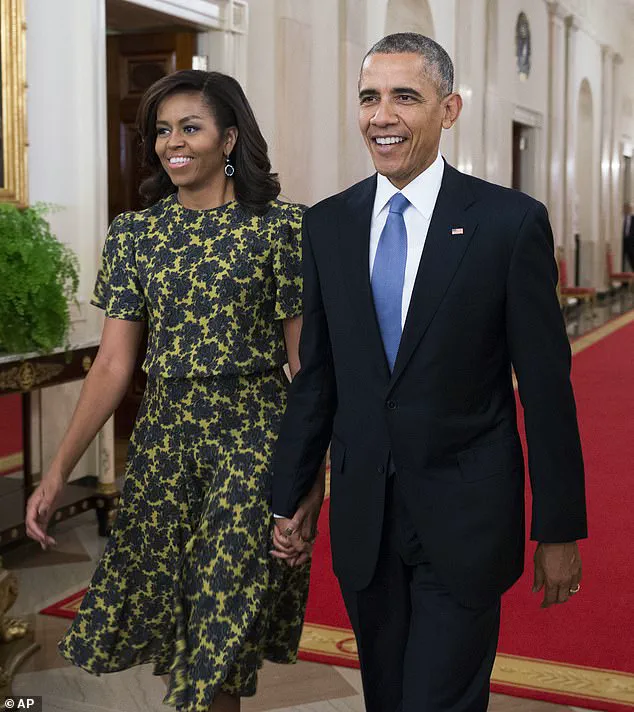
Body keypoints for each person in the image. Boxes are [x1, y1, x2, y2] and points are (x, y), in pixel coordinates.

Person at [270, 33, 587, 712]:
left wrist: (559, 527)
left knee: (438, 702)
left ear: (449, 110)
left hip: (465, 519)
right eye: (369, 98)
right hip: (366, 521)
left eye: (404, 97)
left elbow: (546, 387)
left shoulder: (508, 223)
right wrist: (291, 492)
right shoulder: (327, 225)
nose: (381, 116)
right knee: (387, 697)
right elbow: (318, 374)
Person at [25, 69, 322, 712]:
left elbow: (306, 370)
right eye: (162, 130)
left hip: (254, 438)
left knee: (222, 616)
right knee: (179, 623)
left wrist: (311, 481)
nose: (172, 142)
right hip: (163, 445)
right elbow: (111, 366)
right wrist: (55, 474)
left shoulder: (283, 229)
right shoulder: (136, 235)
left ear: (230, 137)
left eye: (190, 127)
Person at [623, 202, 634, 270]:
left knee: (632, 260)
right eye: (625, 208)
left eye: (628, 208)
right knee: (622, 261)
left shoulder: (633, 219)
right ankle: (624, 280)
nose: (627, 209)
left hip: (631, 243)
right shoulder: (620, 218)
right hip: (622, 242)